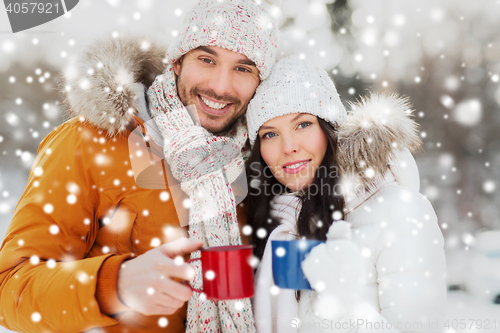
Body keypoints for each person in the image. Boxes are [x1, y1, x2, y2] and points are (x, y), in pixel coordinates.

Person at [0, 1, 278, 332]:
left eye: (243, 68)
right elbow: (9, 290)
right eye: (207, 59)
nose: (220, 86)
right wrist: (115, 284)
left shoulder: (258, 159)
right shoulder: (90, 141)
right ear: (176, 63)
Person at [245, 56, 447, 332]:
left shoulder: (401, 211)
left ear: (330, 128)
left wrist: (342, 308)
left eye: (303, 124)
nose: (288, 146)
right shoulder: (273, 222)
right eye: (269, 134)